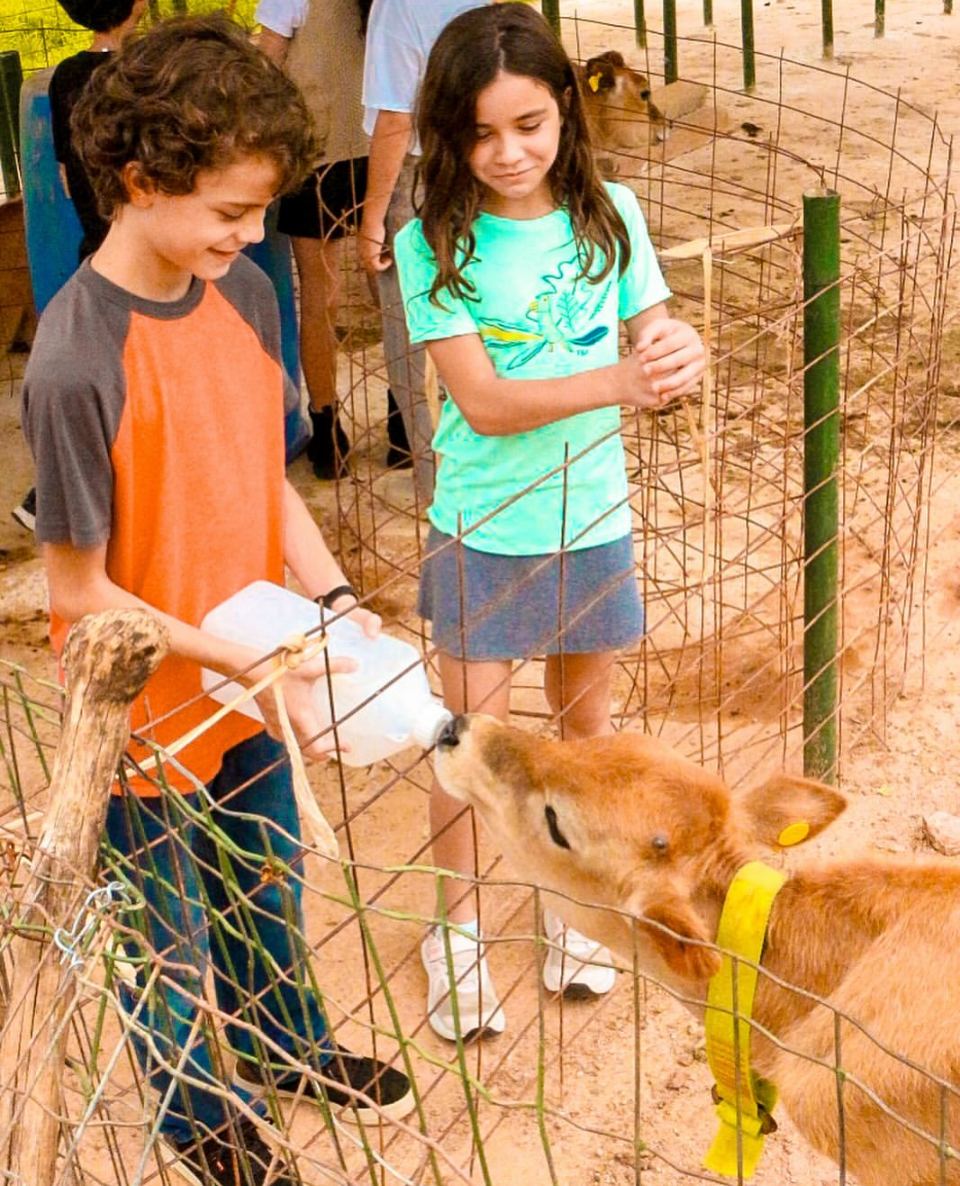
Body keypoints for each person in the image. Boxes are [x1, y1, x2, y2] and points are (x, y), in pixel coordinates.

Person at [21, 16, 414, 1184]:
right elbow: (83, 591)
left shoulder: (240, 291)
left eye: (258, 211)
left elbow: (264, 480)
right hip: (142, 707)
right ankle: (199, 1115)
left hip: (254, 663)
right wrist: (239, 656)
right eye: (232, 211)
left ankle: (288, 1047)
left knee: (268, 875)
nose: (251, 235)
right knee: (167, 930)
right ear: (143, 181)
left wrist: (331, 598)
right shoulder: (75, 361)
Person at [394, 2, 706, 1042]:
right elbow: (483, 403)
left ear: (566, 108)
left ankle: (572, 913)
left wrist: (678, 351)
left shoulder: (612, 215)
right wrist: (621, 378)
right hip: (485, 526)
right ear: (448, 134)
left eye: (529, 124)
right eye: (481, 133)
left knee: (585, 739)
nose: (509, 152)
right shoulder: (432, 242)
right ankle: (458, 934)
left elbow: (654, 329)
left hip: (592, 514)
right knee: (471, 748)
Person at [256, 0, 409, 479]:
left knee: (322, 296)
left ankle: (328, 434)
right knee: (390, 289)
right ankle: (404, 422)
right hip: (385, 147)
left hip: (318, 153)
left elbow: (264, 70)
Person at [12, 0, 145, 534]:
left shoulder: (67, 76)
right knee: (124, 379)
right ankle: (55, 494)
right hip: (139, 249)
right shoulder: (143, 73)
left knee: (104, 373)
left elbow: (68, 175)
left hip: (95, 244)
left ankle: (58, 491)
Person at [358, 0, 490, 506]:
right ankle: (486, 470)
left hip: (421, 178)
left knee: (413, 333)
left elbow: (396, 119)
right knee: (480, 319)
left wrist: (372, 219)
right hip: (477, 169)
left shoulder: (397, 8)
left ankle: (439, 486)